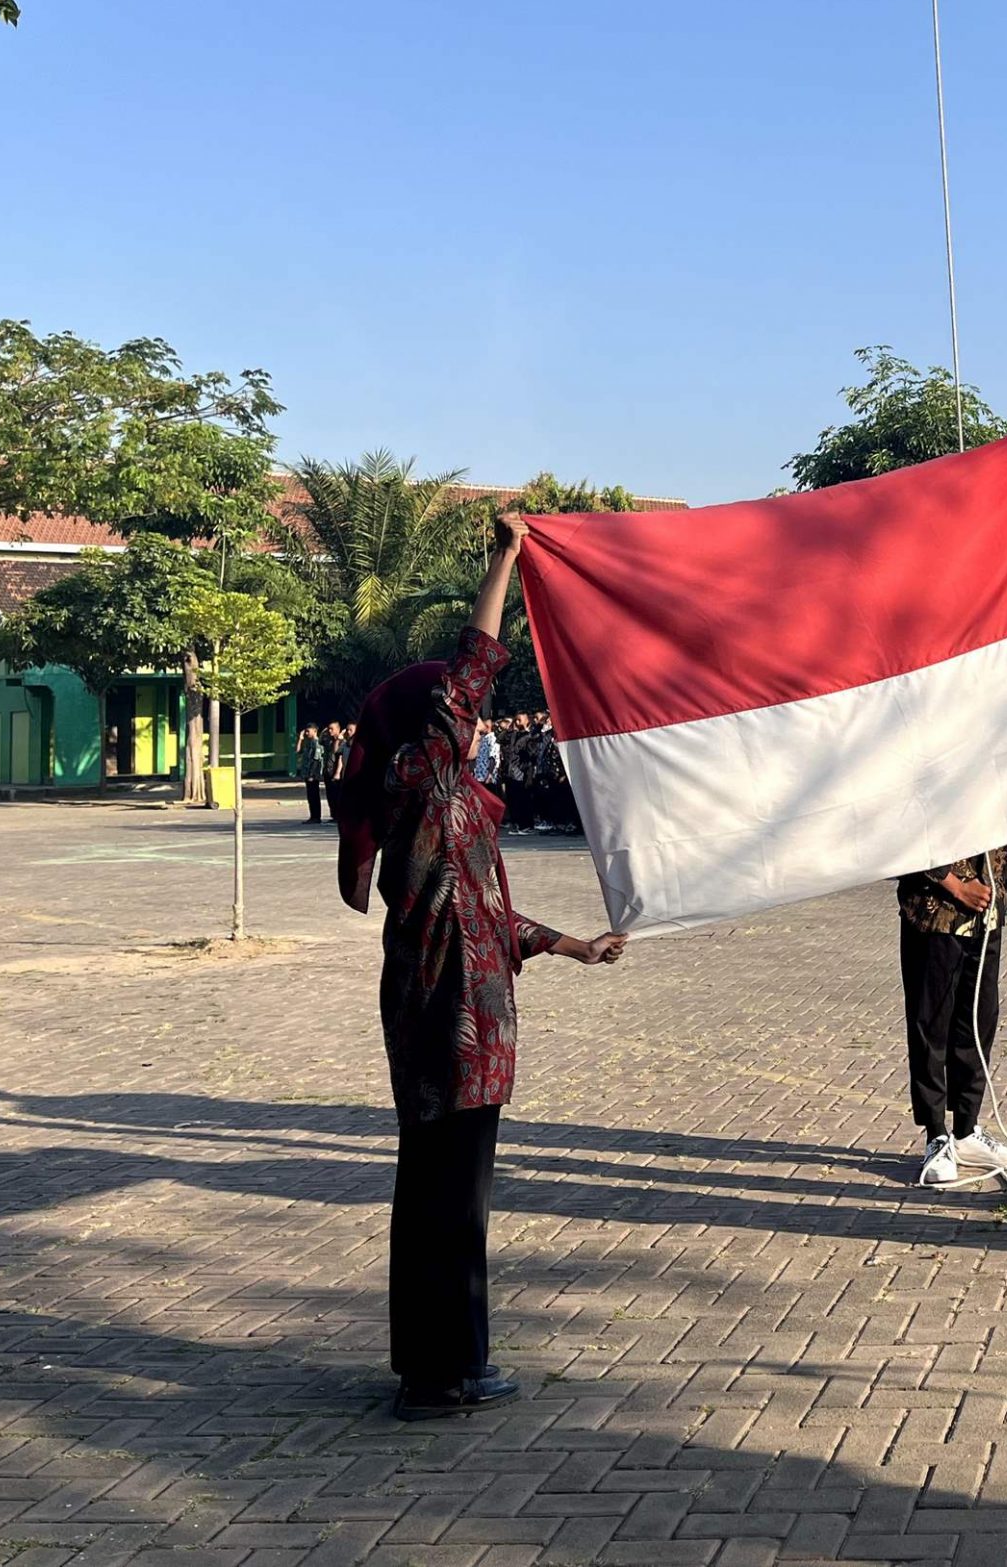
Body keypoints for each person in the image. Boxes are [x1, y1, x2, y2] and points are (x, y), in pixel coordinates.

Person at [335, 516, 627, 1421]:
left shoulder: (442, 807)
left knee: (442, 1195)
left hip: (457, 1025)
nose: (476, 720)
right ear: (429, 729)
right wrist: (504, 562)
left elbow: (489, 912)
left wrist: (571, 945)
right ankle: (440, 1373)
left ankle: (440, 1363)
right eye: (457, 714)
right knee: (448, 1203)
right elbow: (473, 664)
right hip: (449, 1030)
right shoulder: (425, 784)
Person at [898, 844, 1007, 1187]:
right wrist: (955, 885)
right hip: (935, 915)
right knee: (931, 1024)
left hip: (986, 915)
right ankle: (936, 1134)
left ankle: (967, 1129)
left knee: (978, 1022)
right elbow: (906, 834)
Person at [295, 722, 330, 823]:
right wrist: (300, 739)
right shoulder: (308, 743)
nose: (306, 733)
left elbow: (316, 760)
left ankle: (316, 817)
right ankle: (313, 816)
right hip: (307, 774)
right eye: (305, 731)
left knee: (314, 796)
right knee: (310, 796)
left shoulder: (316, 743)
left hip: (313, 775)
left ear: (315, 731)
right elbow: (297, 751)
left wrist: (311, 774)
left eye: (308, 731)